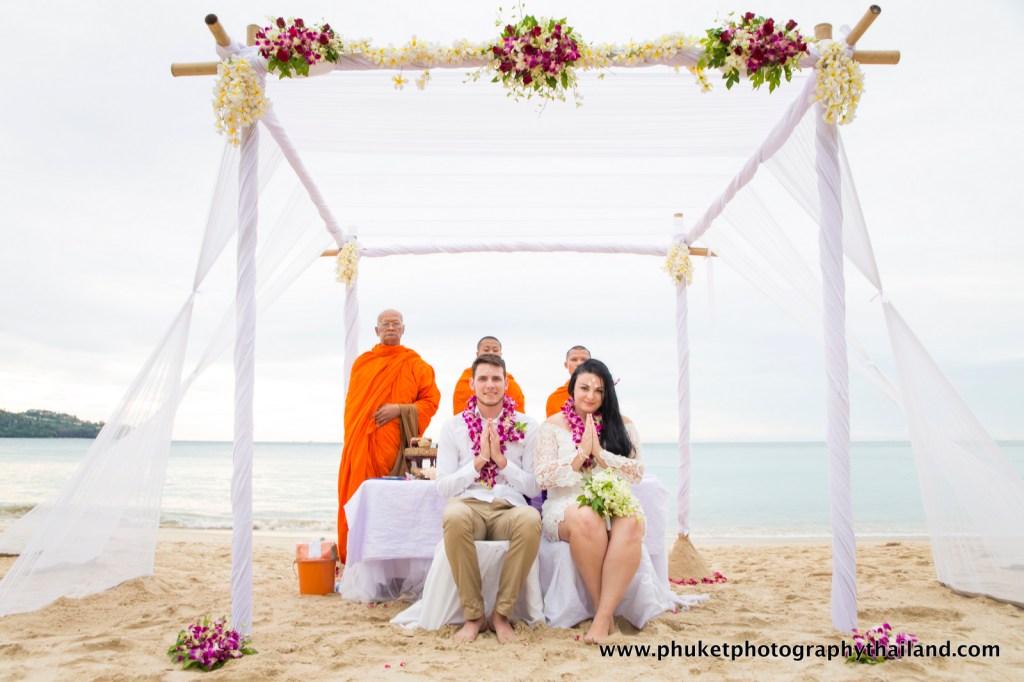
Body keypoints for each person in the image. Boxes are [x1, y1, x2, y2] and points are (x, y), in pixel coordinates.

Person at [534, 358, 644, 644]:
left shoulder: (624, 425)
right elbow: (542, 478)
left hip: (611, 497)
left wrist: (600, 455)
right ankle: (602, 613)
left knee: (632, 520)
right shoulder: (552, 425)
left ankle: (602, 618)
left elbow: (636, 473)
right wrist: (580, 455)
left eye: (599, 390)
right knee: (587, 516)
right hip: (566, 504)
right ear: (572, 389)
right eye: (584, 388)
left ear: (607, 394)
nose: (591, 396)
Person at [436, 354, 541, 643]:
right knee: (453, 515)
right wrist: (480, 461)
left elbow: (533, 487)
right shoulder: (452, 427)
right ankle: (473, 616)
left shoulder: (528, 426)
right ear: (471, 384)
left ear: (506, 384)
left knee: (531, 519)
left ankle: (501, 615)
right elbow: (443, 487)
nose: (490, 385)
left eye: (496, 379)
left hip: (510, 508)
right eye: (483, 378)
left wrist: (502, 461)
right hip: (469, 505)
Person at [337, 309, 440, 564]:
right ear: (376, 330)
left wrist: (400, 410)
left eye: (396, 324)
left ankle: (390, 561)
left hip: (394, 449)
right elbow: (353, 410)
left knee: (391, 506)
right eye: (385, 324)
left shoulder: (416, 364)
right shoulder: (363, 364)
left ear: (403, 329)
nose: (390, 328)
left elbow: (431, 401)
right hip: (361, 445)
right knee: (360, 501)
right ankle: (357, 558)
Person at [451, 336, 526, 414]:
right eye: (486, 350)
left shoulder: (509, 382)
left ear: (500, 354)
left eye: (495, 350)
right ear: (478, 354)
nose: (491, 353)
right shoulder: (467, 378)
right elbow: (460, 415)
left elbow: (518, 416)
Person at [544, 345, 591, 417]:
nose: (579, 363)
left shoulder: (601, 394)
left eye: (584, 360)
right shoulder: (554, 398)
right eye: (574, 359)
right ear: (566, 365)